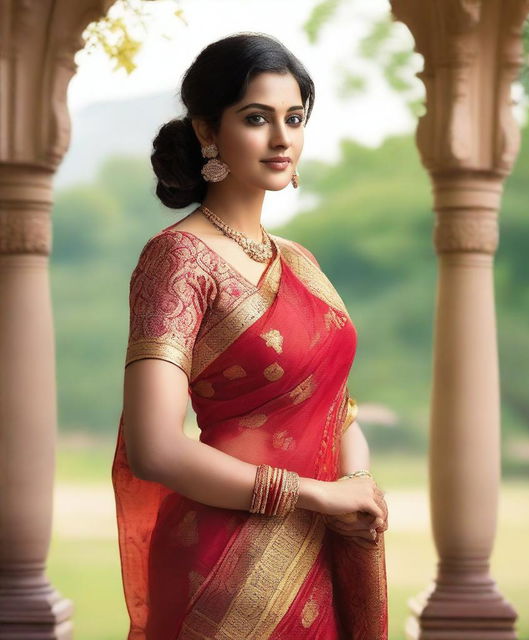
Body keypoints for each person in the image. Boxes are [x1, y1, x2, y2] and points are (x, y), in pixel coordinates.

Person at [111, 31, 389, 640]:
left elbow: (338, 410)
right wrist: (318, 496)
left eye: (295, 118)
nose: (282, 137)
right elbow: (154, 446)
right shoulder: (177, 259)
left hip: (322, 539)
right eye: (257, 118)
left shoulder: (301, 261)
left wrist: (357, 484)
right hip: (225, 562)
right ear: (209, 132)